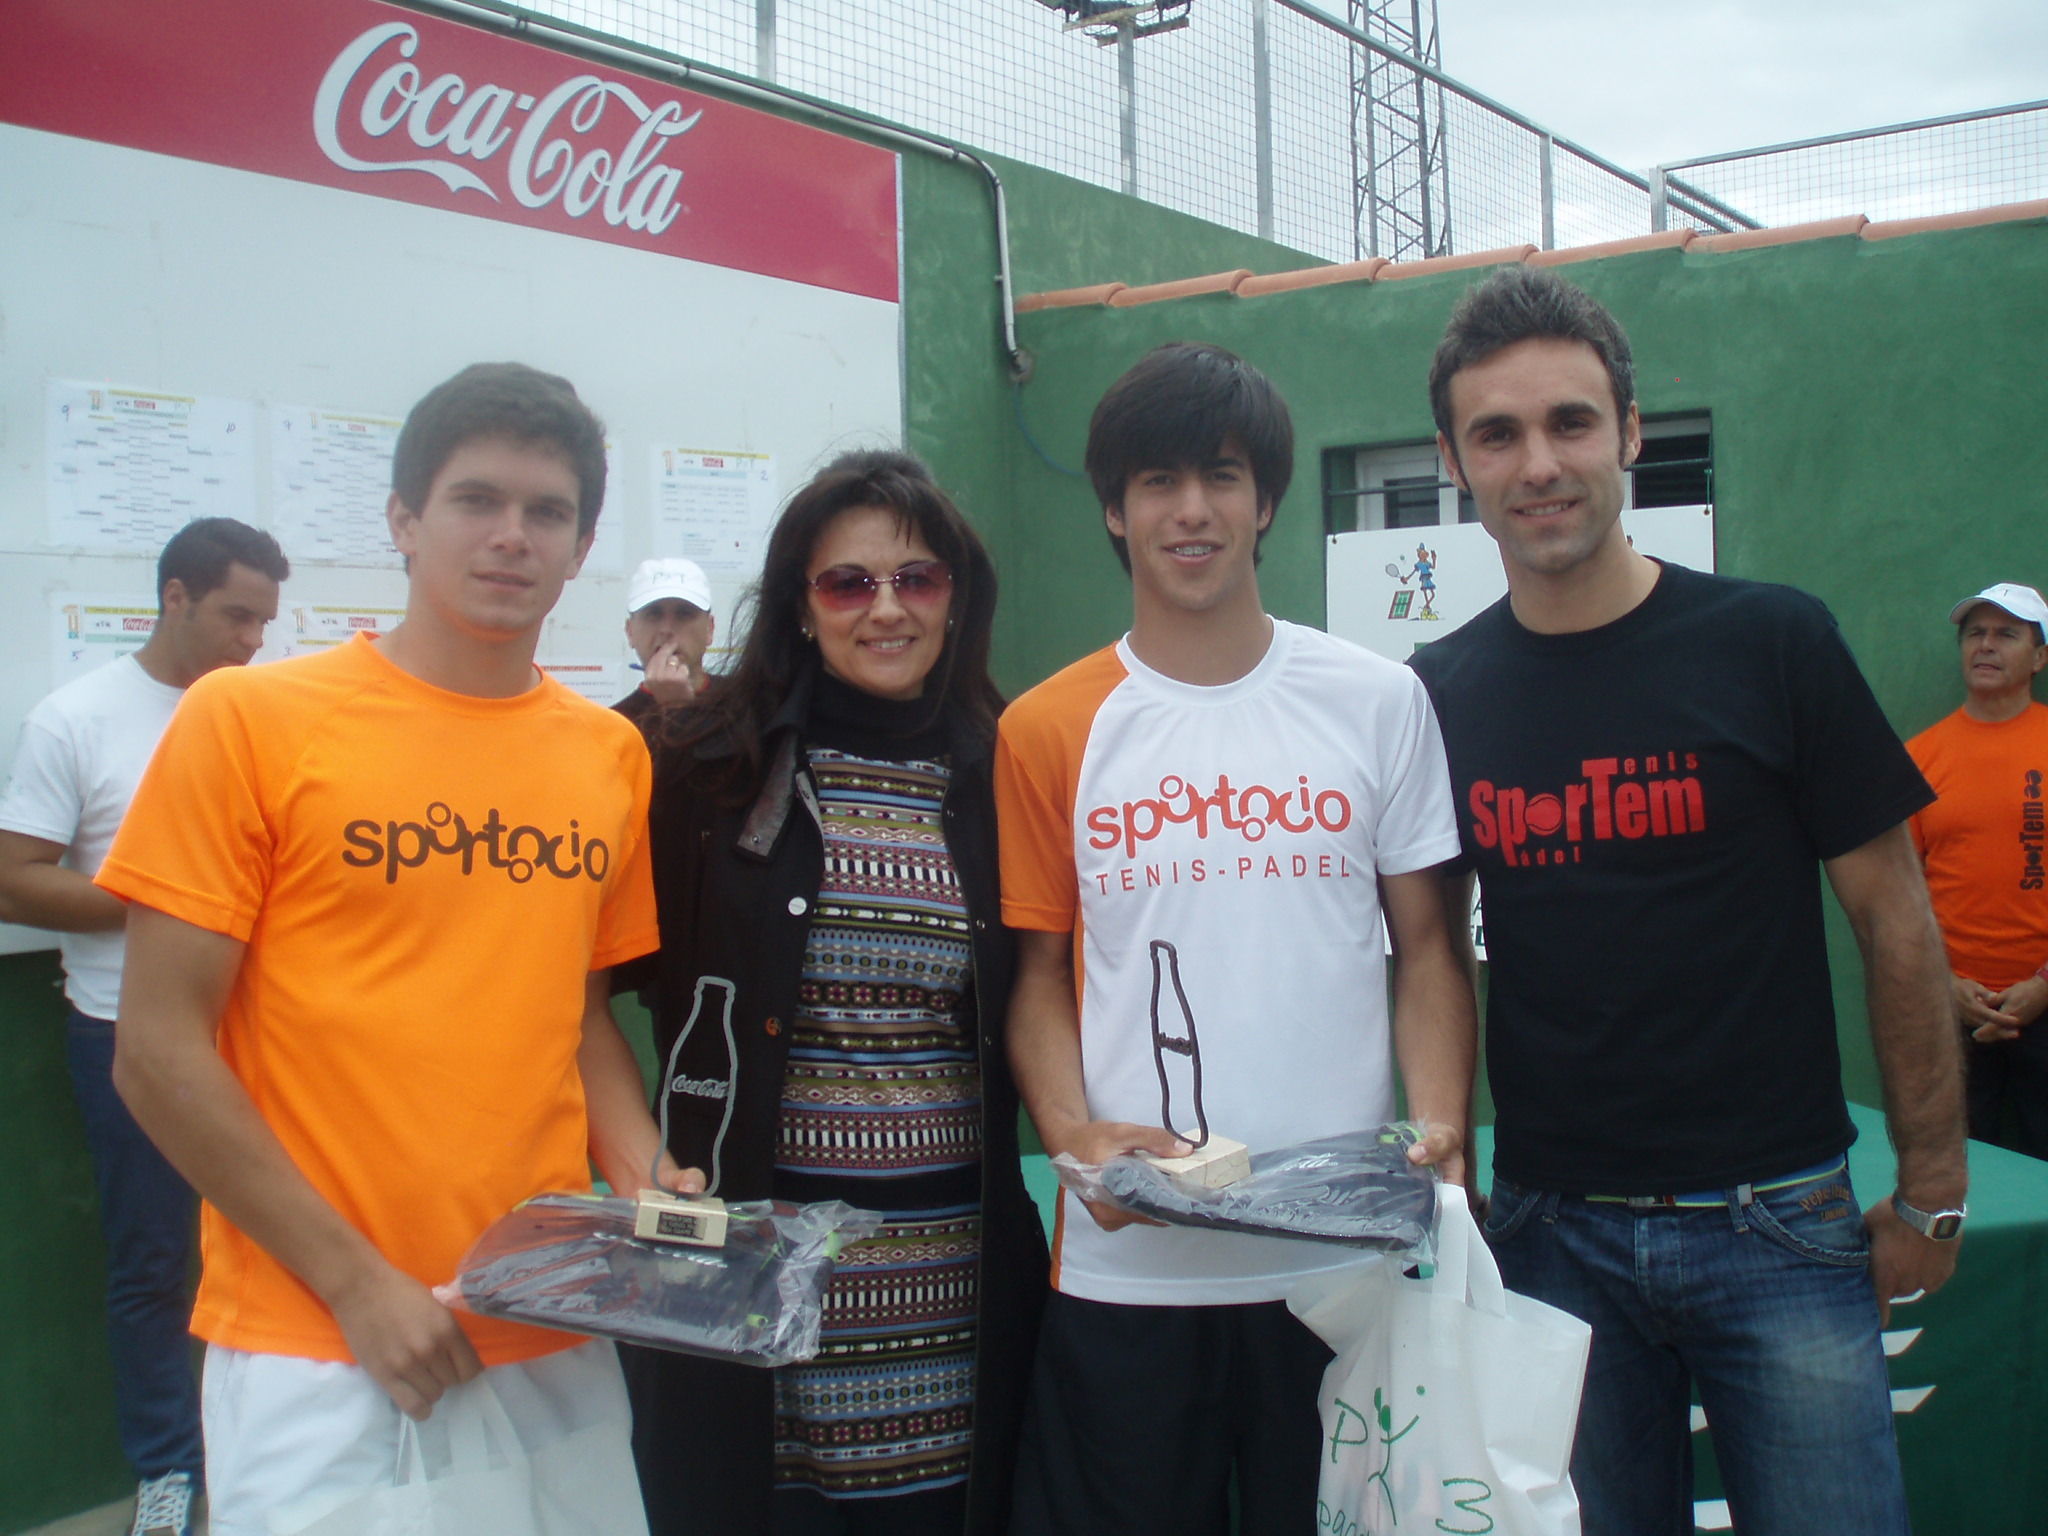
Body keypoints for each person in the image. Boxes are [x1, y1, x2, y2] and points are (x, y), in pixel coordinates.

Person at [1408, 265, 1966, 1536]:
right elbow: (1424, 947)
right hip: (1547, 1238)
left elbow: (1894, 919)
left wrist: (1931, 1182)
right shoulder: (1436, 691)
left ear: (1628, 433)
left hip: (1779, 1225)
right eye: (1496, 434)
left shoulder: (1773, 643)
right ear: (1452, 461)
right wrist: (1449, 1166)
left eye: (1569, 422)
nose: (1537, 464)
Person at [95, 363, 686, 1536]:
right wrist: (359, 1286)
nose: (511, 535)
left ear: (581, 548)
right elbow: (156, 1053)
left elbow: (575, 1018)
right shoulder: (249, 722)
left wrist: (644, 1182)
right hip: (325, 1339)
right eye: (476, 500)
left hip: (549, 1324)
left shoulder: (607, 756)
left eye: (547, 511)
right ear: (404, 520)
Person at [995, 342, 1475, 1536]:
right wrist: (1070, 1137)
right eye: (1155, 481)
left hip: (1338, 1267)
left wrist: (1441, 1128)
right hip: (1129, 1267)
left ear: (1264, 501)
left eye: (1219, 475)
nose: (1190, 510)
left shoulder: (1376, 699)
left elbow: (1426, 948)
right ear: (1113, 510)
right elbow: (1039, 974)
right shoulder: (1045, 727)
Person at [624, 449, 1047, 1536]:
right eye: (848, 583)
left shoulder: (1003, 773)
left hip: (950, 1283)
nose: (886, 608)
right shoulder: (704, 774)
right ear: (801, 609)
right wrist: (638, 1164)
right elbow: (582, 989)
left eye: (917, 578)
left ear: (956, 600)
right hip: (748, 1274)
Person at [0, 517, 287, 1536]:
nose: (253, 641)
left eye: (266, 622)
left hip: (263, 1037)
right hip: (130, 1039)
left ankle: (272, 1457)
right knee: (156, 1265)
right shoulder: (75, 720)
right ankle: (169, 1468)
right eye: (236, 616)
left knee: (283, 1245)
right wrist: (169, 900)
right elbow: (15, 882)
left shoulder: (261, 713)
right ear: (175, 597)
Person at [1907, 582, 2048, 1156]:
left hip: (2044, 998)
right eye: (1975, 633)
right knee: (1956, 1173)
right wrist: (1943, 983)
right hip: (1950, 1009)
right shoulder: (1919, 758)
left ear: (2039, 658)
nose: (1986, 645)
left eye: (2007, 634)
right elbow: (1898, 893)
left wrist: (2043, 986)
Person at [615, 556, 718, 736]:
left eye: (684, 614)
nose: (666, 629)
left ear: (709, 629)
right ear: (630, 632)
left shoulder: (747, 704)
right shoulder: (614, 725)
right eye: (653, 614)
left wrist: (679, 709)